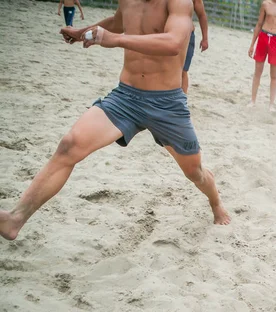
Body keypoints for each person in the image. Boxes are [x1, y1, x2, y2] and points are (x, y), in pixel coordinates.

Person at [0, 0, 231, 241]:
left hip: (167, 104)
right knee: (70, 145)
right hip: (126, 97)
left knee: (195, 172)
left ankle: (215, 202)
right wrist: (83, 33)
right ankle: (15, 219)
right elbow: (117, 23)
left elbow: (173, 42)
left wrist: (115, 39)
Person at [248, 0, 276, 111]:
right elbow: (259, 24)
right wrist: (252, 44)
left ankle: (271, 104)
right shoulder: (266, 4)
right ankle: (253, 100)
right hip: (263, 36)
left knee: (274, 74)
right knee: (258, 71)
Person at [182, 0, 209, 94]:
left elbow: (202, 14)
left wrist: (205, 38)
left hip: (186, 35)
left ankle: (182, 100)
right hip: (166, 33)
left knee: (183, 71)